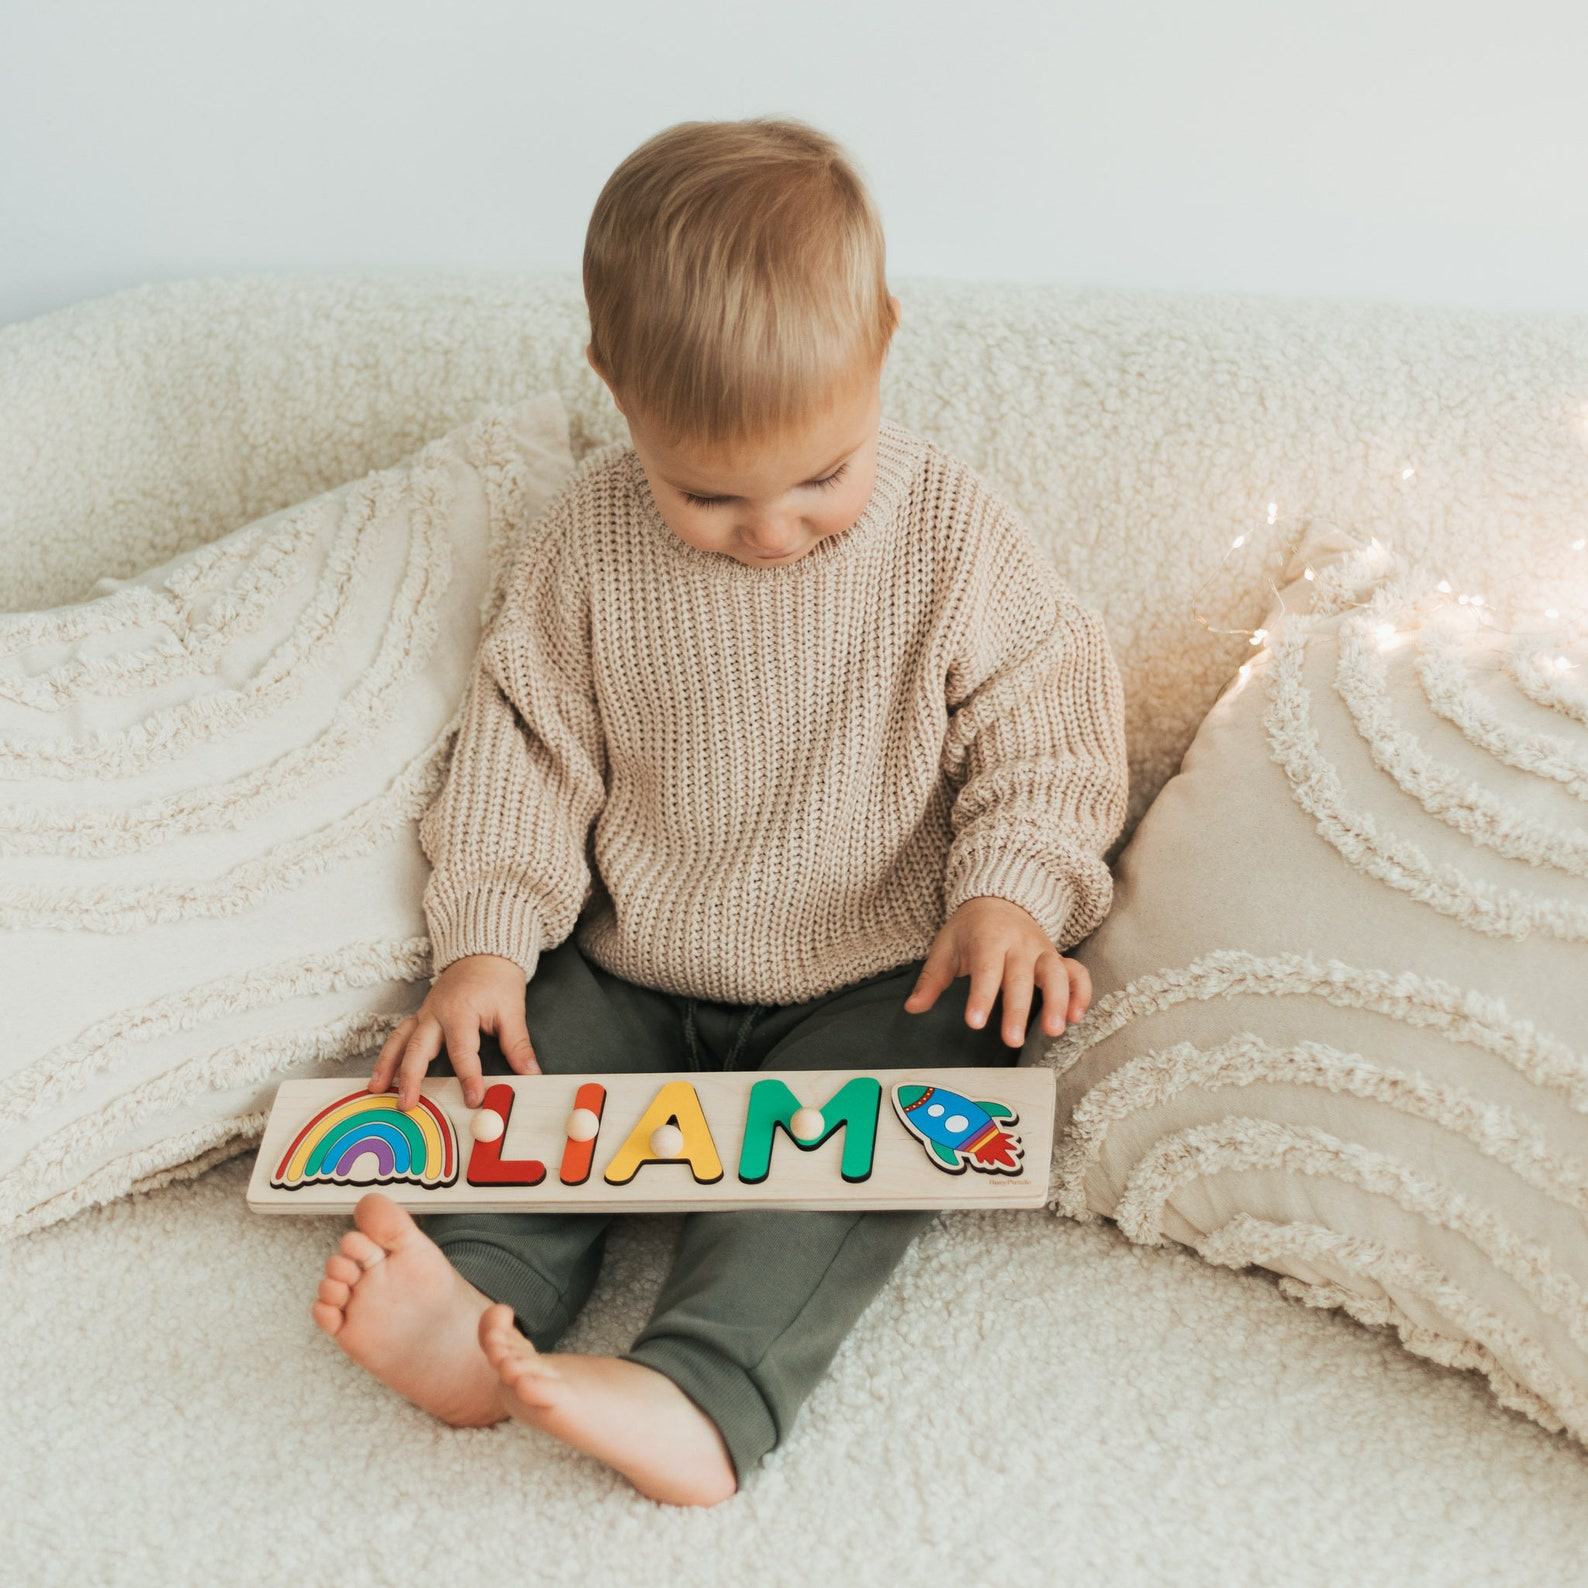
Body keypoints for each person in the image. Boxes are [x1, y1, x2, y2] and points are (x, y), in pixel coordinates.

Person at [308, 115, 1129, 1508]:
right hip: (637, 967)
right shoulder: (585, 541)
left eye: (821, 478)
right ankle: (475, 1296)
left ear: (881, 343)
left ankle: (705, 1384)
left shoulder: (947, 529)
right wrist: (488, 949)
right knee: (520, 1061)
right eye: (709, 494)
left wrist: (1009, 897)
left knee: (892, 1111)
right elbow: (524, 756)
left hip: (874, 974)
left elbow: (1045, 725)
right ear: (613, 389)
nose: (772, 531)